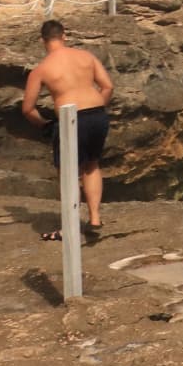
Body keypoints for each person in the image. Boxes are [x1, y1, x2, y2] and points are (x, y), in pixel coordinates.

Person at [21, 20, 115, 237]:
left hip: (71, 118)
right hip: (97, 114)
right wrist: (96, 107)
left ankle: (70, 226)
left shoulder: (41, 69)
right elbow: (108, 86)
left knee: (69, 173)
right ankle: (94, 218)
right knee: (92, 164)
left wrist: (44, 125)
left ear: (42, 41)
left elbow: (28, 109)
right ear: (64, 36)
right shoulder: (86, 57)